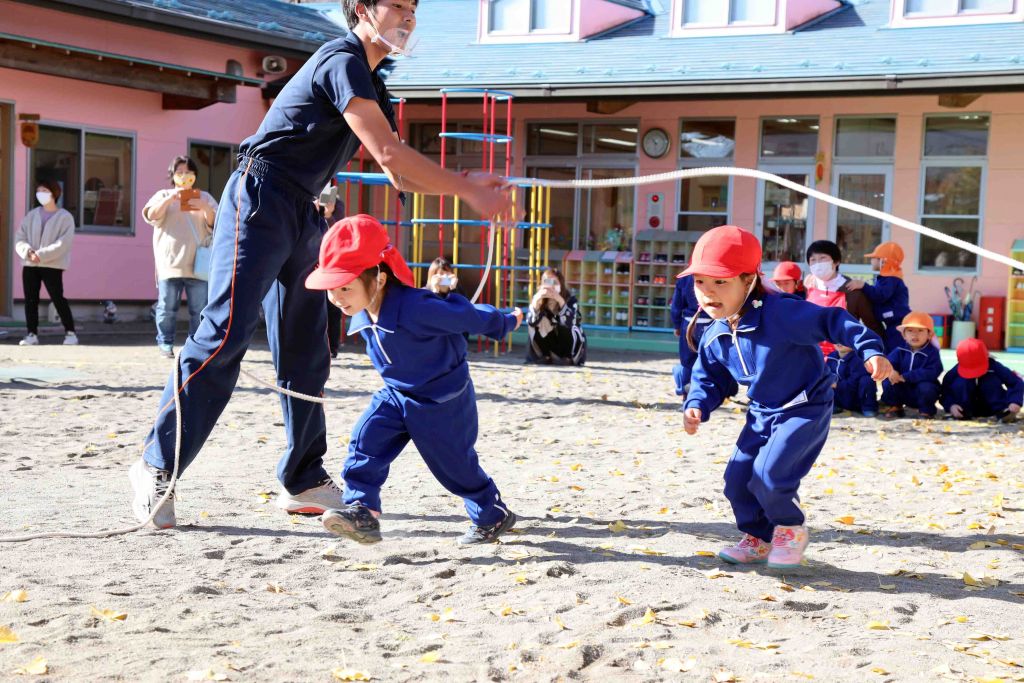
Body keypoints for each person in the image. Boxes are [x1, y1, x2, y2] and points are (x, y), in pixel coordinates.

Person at [129, 0, 510, 529]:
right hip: (259, 196)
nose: (408, 18)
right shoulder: (342, 59)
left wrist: (467, 186)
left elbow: (399, 174)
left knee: (308, 346)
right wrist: (466, 188)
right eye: (398, 5)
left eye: (414, 8)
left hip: (305, 209)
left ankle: (303, 477)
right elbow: (389, 155)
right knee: (224, 333)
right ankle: (157, 465)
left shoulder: (375, 86)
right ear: (362, 9)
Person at [681, 225, 890, 569]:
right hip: (762, 411)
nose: (708, 292)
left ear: (749, 280)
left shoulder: (781, 313)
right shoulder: (715, 332)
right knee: (736, 480)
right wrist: (696, 403)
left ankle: (790, 529)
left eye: (720, 281)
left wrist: (869, 349)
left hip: (805, 407)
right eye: (700, 281)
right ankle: (758, 538)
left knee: (769, 475)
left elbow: (833, 320)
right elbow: (709, 377)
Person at [307, 215, 522, 544]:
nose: (337, 298)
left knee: (455, 467)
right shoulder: (361, 308)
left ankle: (492, 515)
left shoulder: (417, 307)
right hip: (397, 394)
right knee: (366, 442)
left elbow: (466, 316)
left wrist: (505, 322)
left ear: (379, 279)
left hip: (442, 400)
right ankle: (362, 511)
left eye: (345, 287)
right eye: (331, 290)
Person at [142, 156, 218, 358]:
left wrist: (204, 207)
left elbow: (216, 223)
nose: (184, 176)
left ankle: (197, 346)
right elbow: (150, 215)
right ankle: (165, 343)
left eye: (189, 172)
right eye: (180, 172)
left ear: (195, 175)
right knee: (166, 307)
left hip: (198, 264)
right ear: (173, 175)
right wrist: (170, 199)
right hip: (169, 263)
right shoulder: (163, 194)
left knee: (199, 309)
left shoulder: (204, 197)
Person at [14, 179, 77, 346]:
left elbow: (63, 243)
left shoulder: (65, 217)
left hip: (52, 264)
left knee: (57, 298)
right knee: (30, 300)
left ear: (54, 193)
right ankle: (31, 334)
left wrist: (40, 255)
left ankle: (70, 333)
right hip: (30, 264)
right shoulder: (31, 215)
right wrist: (28, 252)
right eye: (38, 191)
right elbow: (20, 237)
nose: (40, 194)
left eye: (44, 191)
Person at [804, 240, 884, 356]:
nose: (818, 264)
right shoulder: (807, 286)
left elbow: (873, 326)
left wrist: (876, 354)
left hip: (843, 360)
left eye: (822, 258)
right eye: (813, 260)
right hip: (812, 356)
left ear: (836, 261)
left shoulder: (853, 291)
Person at [843, 241, 910, 353]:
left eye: (874, 258)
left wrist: (863, 285)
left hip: (898, 324)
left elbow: (879, 295)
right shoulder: (887, 278)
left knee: (895, 350)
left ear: (883, 261)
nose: (871, 260)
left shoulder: (890, 279)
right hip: (892, 323)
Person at [941, 338, 1023, 422]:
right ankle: (963, 413)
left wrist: (1014, 401)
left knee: (990, 382)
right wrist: (951, 405)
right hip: (965, 409)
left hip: (994, 408)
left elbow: (1016, 382)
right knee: (961, 382)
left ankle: (1003, 413)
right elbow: (945, 391)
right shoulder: (955, 372)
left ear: (987, 357)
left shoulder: (994, 367)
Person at [880, 312, 943, 418]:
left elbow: (933, 370)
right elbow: (888, 363)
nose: (915, 335)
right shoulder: (899, 350)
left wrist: (907, 377)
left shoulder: (932, 352)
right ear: (904, 335)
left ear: (929, 334)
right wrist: (891, 371)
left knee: (928, 388)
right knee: (888, 382)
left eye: (920, 330)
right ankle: (896, 406)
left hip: (920, 390)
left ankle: (926, 411)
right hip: (902, 388)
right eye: (910, 331)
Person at [525, 267, 586, 366]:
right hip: (551, 344)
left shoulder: (571, 300)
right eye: (548, 282)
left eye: (555, 283)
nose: (551, 286)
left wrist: (560, 301)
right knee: (540, 322)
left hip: (569, 345)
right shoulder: (538, 299)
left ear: (561, 284)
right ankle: (545, 355)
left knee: (564, 322)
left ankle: (568, 357)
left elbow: (571, 322)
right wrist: (536, 303)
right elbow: (530, 322)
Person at [670, 273, 713, 401]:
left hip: (688, 323)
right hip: (711, 323)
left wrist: (677, 325)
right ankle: (706, 393)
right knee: (709, 361)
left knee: (687, 361)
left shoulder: (684, 278)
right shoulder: (715, 276)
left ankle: (686, 393)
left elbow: (676, 305)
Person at [316, 185, 344, 358]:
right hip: (311, 260)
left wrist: (328, 215)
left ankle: (332, 347)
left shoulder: (337, 205)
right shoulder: (306, 200)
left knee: (333, 307)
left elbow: (337, 233)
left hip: (331, 262)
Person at [827, 343, 879, 417]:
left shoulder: (859, 359)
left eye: (843, 340)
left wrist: (835, 384)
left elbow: (853, 383)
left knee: (866, 380)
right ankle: (835, 405)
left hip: (856, 397)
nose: (839, 342)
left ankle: (868, 408)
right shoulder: (831, 356)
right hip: (840, 396)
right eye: (836, 339)